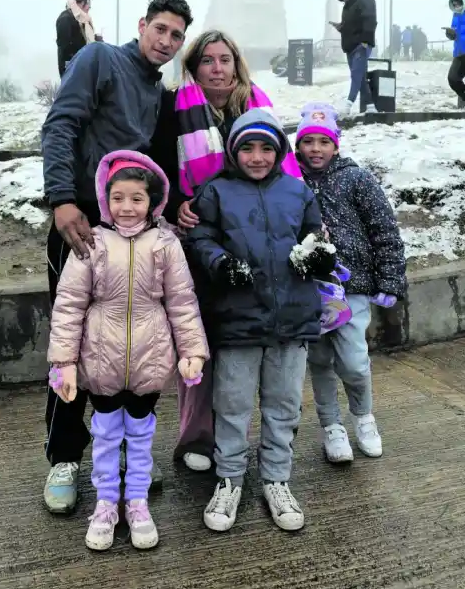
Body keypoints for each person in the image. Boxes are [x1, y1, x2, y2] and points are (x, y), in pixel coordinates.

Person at [41, 0, 193, 515]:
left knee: (124, 351)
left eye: (176, 36)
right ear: (142, 25)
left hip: (133, 230)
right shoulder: (100, 59)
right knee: (75, 343)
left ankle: (125, 462)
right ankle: (64, 456)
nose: (167, 42)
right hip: (82, 221)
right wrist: (62, 200)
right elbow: (60, 123)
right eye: (161, 29)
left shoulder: (157, 88)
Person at [149, 30, 302, 474]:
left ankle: (254, 432)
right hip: (197, 237)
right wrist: (176, 201)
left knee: (251, 336)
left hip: (256, 238)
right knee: (197, 337)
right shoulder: (173, 106)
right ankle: (198, 436)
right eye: (207, 61)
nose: (217, 68)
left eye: (225, 59)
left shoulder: (257, 106)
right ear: (193, 67)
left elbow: (284, 170)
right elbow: (157, 163)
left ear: (237, 64)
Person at [183, 108, 336, 533]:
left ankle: (276, 478)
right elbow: (201, 238)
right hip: (237, 320)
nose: (256, 157)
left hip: (292, 317)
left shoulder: (297, 191)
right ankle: (229, 477)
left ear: (279, 151)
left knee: (283, 405)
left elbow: (314, 235)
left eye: (265, 148)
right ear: (233, 152)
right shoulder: (216, 192)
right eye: (247, 148)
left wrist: (319, 254)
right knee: (231, 405)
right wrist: (220, 263)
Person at [48, 151, 208, 551]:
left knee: (140, 433)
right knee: (104, 434)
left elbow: (182, 302)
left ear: (152, 201)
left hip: (149, 360)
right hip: (101, 359)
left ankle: (136, 501)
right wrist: (63, 362)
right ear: (106, 200)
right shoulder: (91, 243)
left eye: (137, 198)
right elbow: (69, 304)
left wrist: (192, 350)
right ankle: (105, 503)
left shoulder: (166, 244)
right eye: (118, 197)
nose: (127, 207)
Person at [295, 102, 407, 464]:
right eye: (308, 141)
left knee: (355, 361)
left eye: (323, 142)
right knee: (321, 360)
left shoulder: (356, 179)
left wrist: (389, 279)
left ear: (336, 145)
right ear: (298, 145)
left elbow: (383, 228)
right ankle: (332, 427)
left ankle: (364, 417)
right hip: (310, 288)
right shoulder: (290, 182)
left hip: (352, 286)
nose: (315, 149)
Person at [330, 0, 377, 116]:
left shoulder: (366, 0)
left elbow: (370, 21)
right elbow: (349, 27)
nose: (344, 0)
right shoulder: (346, 7)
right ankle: (371, 106)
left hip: (361, 45)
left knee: (356, 74)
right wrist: (340, 27)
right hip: (349, 46)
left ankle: (348, 105)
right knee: (360, 77)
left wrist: (365, 41)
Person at [56, 0, 98, 77]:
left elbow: (82, 40)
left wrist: (96, 39)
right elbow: (65, 44)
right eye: (88, 5)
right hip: (72, 67)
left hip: (80, 65)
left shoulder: (81, 20)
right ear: (82, 3)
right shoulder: (66, 18)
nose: (89, 8)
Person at [444, 0, 465, 105]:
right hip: (459, 52)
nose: (456, 6)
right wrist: (450, 33)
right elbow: (455, 34)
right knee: (453, 79)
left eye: (457, 3)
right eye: (454, 4)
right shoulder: (455, 15)